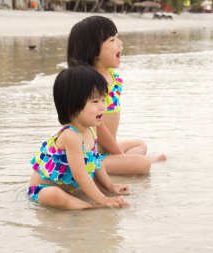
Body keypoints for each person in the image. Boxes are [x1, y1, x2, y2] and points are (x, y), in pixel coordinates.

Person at [67, 16, 167, 175]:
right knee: (142, 165)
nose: (120, 43)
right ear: (94, 50)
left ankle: (121, 162)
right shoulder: (89, 84)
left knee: (140, 145)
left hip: (107, 148)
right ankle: (117, 164)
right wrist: (119, 155)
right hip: (91, 155)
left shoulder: (114, 78)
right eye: (112, 40)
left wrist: (115, 153)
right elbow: (98, 128)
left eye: (118, 37)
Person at [28, 65, 130, 209]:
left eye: (103, 100)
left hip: (70, 189)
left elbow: (96, 163)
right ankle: (91, 207)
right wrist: (103, 200)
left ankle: (87, 203)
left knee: (89, 184)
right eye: (95, 102)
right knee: (54, 195)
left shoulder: (91, 130)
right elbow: (80, 175)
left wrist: (110, 187)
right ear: (72, 106)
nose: (102, 107)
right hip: (41, 190)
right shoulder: (71, 135)